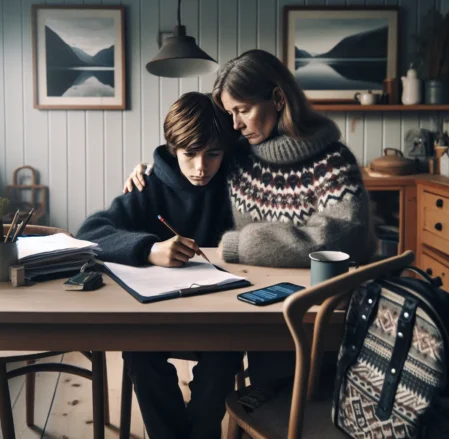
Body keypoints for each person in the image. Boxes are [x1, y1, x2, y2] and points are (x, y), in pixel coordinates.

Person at [123, 49, 376, 387]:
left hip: (317, 315)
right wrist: (152, 172)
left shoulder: (332, 159)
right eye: (229, 113)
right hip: (251, 307)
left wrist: (241, 243)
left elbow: (345, 237)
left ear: (278, 98)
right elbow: (192, 151)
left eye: (242, 110)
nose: (235, 124)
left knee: (288, 395)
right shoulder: (240, 155)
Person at [76, 92, 244, 439]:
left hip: (221, 314)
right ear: (172, 148)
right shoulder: (148, 186)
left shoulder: (238, 181)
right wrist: (149, 249)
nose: (201, 167)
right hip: (157, 313)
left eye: (213, 154)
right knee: (140, 354)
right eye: (190, 154)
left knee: (224, 356)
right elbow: (89, 233)